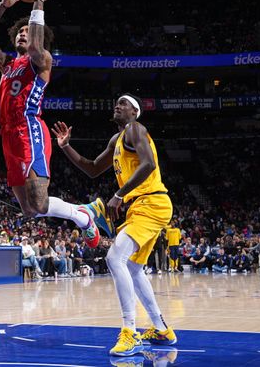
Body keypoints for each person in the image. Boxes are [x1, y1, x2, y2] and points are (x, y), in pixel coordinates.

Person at [0, 0, 104, 248]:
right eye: (18, 31)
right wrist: (3, 6)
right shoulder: (8, 63)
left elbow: (34, 43)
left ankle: (83, 216)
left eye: (26, 30)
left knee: (40, 201)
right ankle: (81, 212)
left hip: (28, 128)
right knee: (30, 210)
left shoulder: (42, 60)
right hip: (7, 134)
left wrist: (40, 0)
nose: (22, 33)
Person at [53, 94, 176, 356]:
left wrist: (119, 195)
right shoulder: (117, 139)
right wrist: (65, 147)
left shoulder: (136, 129)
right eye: (116, 103)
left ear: (135, 112)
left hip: (151, 202)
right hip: (141, 206)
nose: (117, 106)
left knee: (114, 257)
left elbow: (149, 164)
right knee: (132, 267)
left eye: (124, 103)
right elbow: (93, 168)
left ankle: (129, 331)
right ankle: (162, 329)